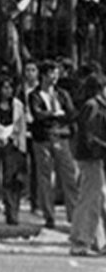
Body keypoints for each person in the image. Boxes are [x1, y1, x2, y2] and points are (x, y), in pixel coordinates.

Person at [28, 62, 78, 228]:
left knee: (69, 174)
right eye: (51, 73)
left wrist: (56, 116)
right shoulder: (34, 95)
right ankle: (49, 215)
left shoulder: (62, 94)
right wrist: (55, 113)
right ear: (43, 75)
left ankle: (74, 214)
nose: (55, 77)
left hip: (61, 136)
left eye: (56, 73)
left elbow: (71, 113)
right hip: (43, 138)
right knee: (46, 177)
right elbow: (37, 114)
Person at [70, 73, 106, 256]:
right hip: (91, 158)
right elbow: (89, 135)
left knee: (96, 199)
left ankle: (96, 241)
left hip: (95, 158)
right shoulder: (92, 106)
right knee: (90, 200)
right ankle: (81, 241)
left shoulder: (96, 105)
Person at [0, 74, 27, 226]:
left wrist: (20, 145)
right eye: (4, 87)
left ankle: (12, 212)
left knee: (11, 179)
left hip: (12, 145)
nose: (8, 90)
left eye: (10, 87)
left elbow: (21, 127)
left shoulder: (18, 105)